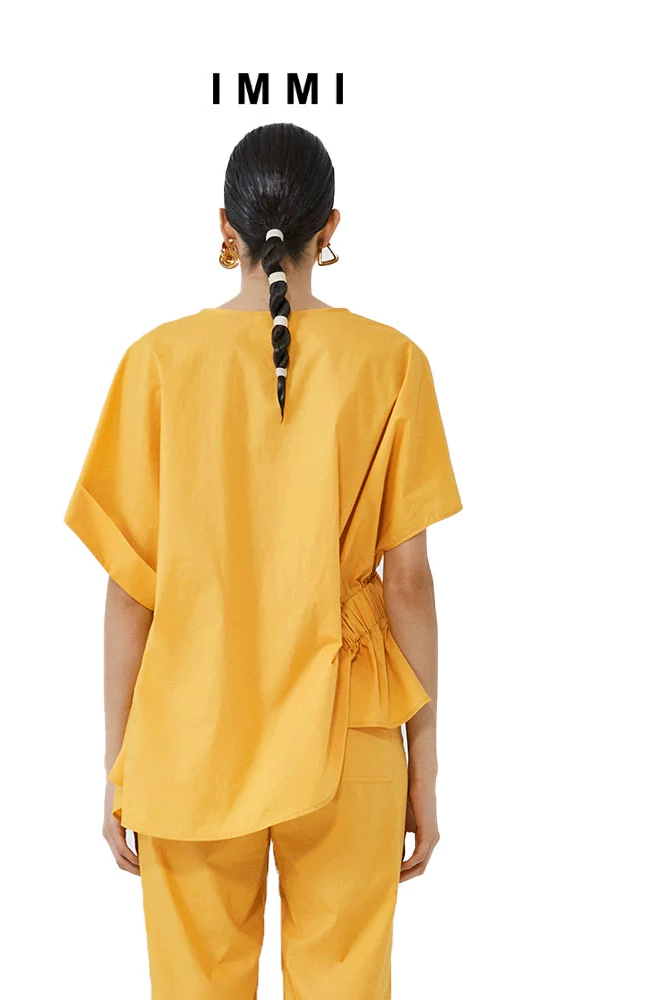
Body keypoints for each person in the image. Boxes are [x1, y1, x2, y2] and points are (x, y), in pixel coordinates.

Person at [64, 122, 462, 999]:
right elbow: (409, 582)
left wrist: (118, 765)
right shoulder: (393, 363)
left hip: (190, 733)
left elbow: (130, 595)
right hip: (349, 727)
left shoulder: (157, 363)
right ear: (331, 228)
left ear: (225, 227)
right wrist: (424, 769)